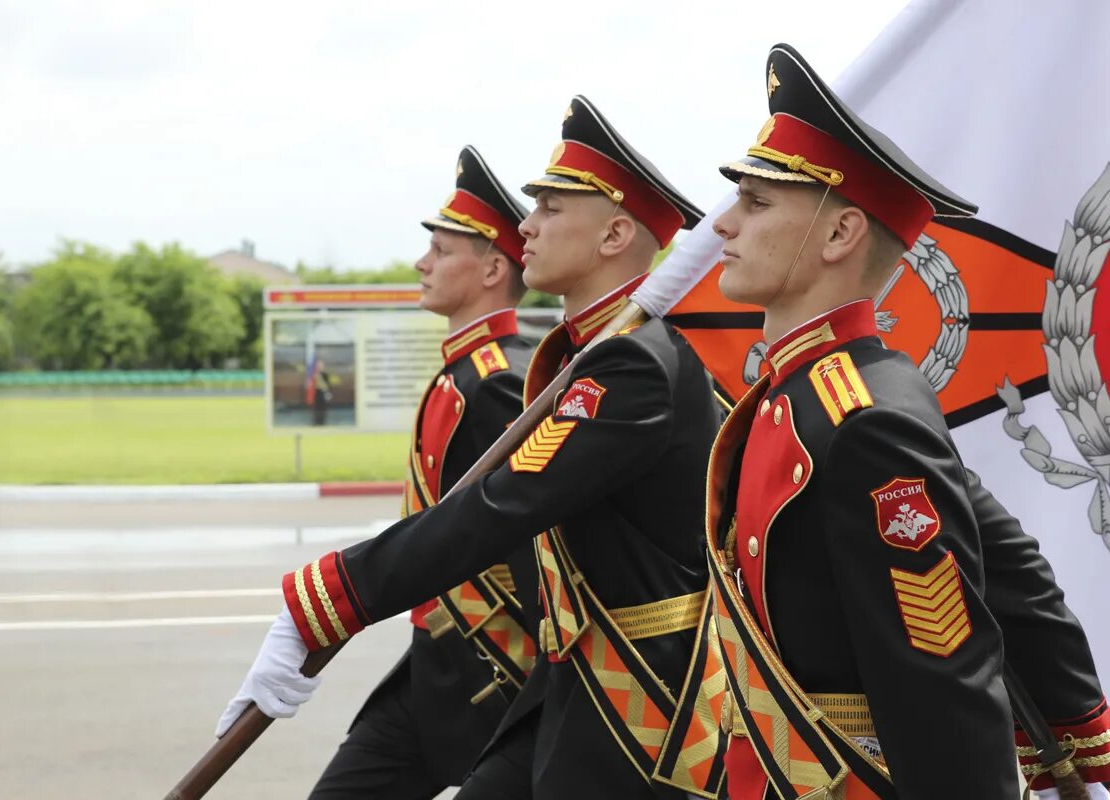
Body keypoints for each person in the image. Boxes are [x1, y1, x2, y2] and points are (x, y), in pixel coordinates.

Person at [218, 95, 717, 799]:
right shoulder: (589, 356)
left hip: (637, 701)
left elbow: (497, 510)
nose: (525, 225)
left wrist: (330, 594)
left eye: (548, 209)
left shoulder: (632, 366)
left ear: (612, 237)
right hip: (572, 685)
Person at [702, 43, 1109, 799]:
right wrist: (1082, 724)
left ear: (838, 234)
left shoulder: (862, 419)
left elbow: (941, 678)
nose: (722, 224)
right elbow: (1012, 571)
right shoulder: (814, 394)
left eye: (755, 203)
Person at [220, 146, 538, 798]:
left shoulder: (497, 383)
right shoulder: (463, 371)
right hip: (434, 667)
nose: (422, 262)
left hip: (494, 676)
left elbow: (531, 546)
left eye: (443, 250)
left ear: (492, 268)